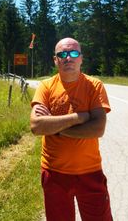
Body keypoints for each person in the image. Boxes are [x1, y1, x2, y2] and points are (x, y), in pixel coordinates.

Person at [30, 37, 113, 221]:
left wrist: (56, 128)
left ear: (81, 58)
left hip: (90, 172)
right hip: (54, 173)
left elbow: (97, 128)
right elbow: (36, 126)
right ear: (55, 60)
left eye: (74, 53)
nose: (69, 58)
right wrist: (79, 117)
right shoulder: (46, 87)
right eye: (63, 54)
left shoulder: (94, 86)